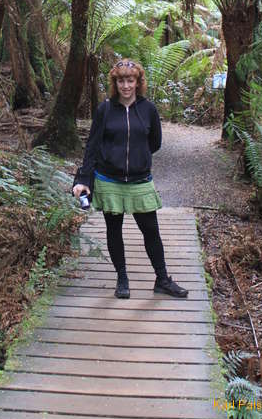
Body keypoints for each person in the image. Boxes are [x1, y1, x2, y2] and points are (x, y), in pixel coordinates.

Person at [72, 59, 188, 299]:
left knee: (151, 230)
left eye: (130, 80)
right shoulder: (105, 109)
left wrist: (138, 157)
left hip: (139, 181)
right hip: (108, 180)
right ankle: (122, 278)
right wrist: (83, 179)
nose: (126, 85)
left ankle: (162, 279)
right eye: (121, 80)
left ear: (138, 82)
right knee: (114, 230)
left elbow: (154, 143)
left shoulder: (148, 110)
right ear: (115, 83)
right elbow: (92, 146)